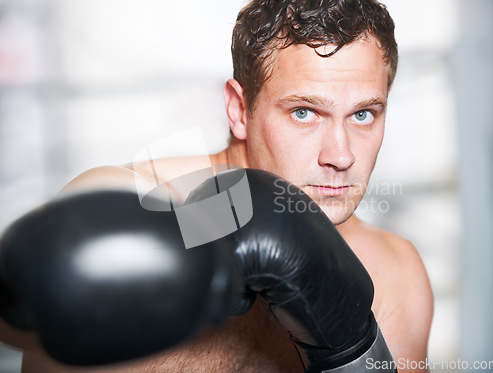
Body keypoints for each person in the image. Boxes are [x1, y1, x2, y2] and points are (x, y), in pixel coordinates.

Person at [0, 0, 433, 372]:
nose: (340, 156)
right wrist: (185, 246)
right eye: (304, 112)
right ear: (239, 109)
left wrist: (351, 347)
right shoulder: (130, 200)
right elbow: (15, 317)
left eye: (363, 114)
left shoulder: (397, 276)